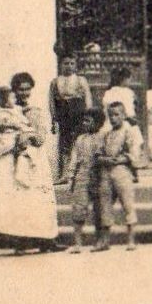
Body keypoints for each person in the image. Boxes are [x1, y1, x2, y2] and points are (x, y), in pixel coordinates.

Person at [0, 72, 60, 253]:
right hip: (15, 160)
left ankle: (46, 241)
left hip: (35, 159)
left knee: (41, 199)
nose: (24, 93)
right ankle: (21, 241)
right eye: (21, 89)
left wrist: (31, 136)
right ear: (14, 90)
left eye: (28, 89)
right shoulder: (4, 110)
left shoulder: (35, 109)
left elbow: (40, 137)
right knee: (20, 201)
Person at [95, 100, 143, 251]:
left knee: (127, 204)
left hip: (122, 171)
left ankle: (131, 239)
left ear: (124, 115)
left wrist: (122, 158)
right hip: (107, 171)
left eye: (117, 115)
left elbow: (134, 152)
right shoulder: (107, 134)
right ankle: (105, 241)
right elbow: (98, 153)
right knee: (105, 205)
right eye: (111, 115)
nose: (113, 118)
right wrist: (104, 159)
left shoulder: (129, 131)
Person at [63, 108, 104, 252]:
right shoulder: (80, 139)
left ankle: (99, 241)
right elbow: (74, 159)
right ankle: (78, 243)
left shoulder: (102, 137)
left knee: (99, 210)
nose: (84, 123)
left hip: (98, 177)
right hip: (82, 176)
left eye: (88, 121)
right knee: (78, 209)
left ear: (98, 123)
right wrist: (71, 177)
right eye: (84, 120)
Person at [48, 54, 91, 180]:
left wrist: (87, 114)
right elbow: (51, 101)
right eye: (66, 63)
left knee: (79, 141)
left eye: (72, 63)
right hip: (63, 113)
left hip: (77, 112)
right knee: (64, 143)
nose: (69, 66)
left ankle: (80, 173)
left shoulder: (80, 80)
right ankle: (64, 174)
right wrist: (53, 117)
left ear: (76, 65)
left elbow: (87, 97)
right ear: (61, 65)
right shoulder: (55, 81)